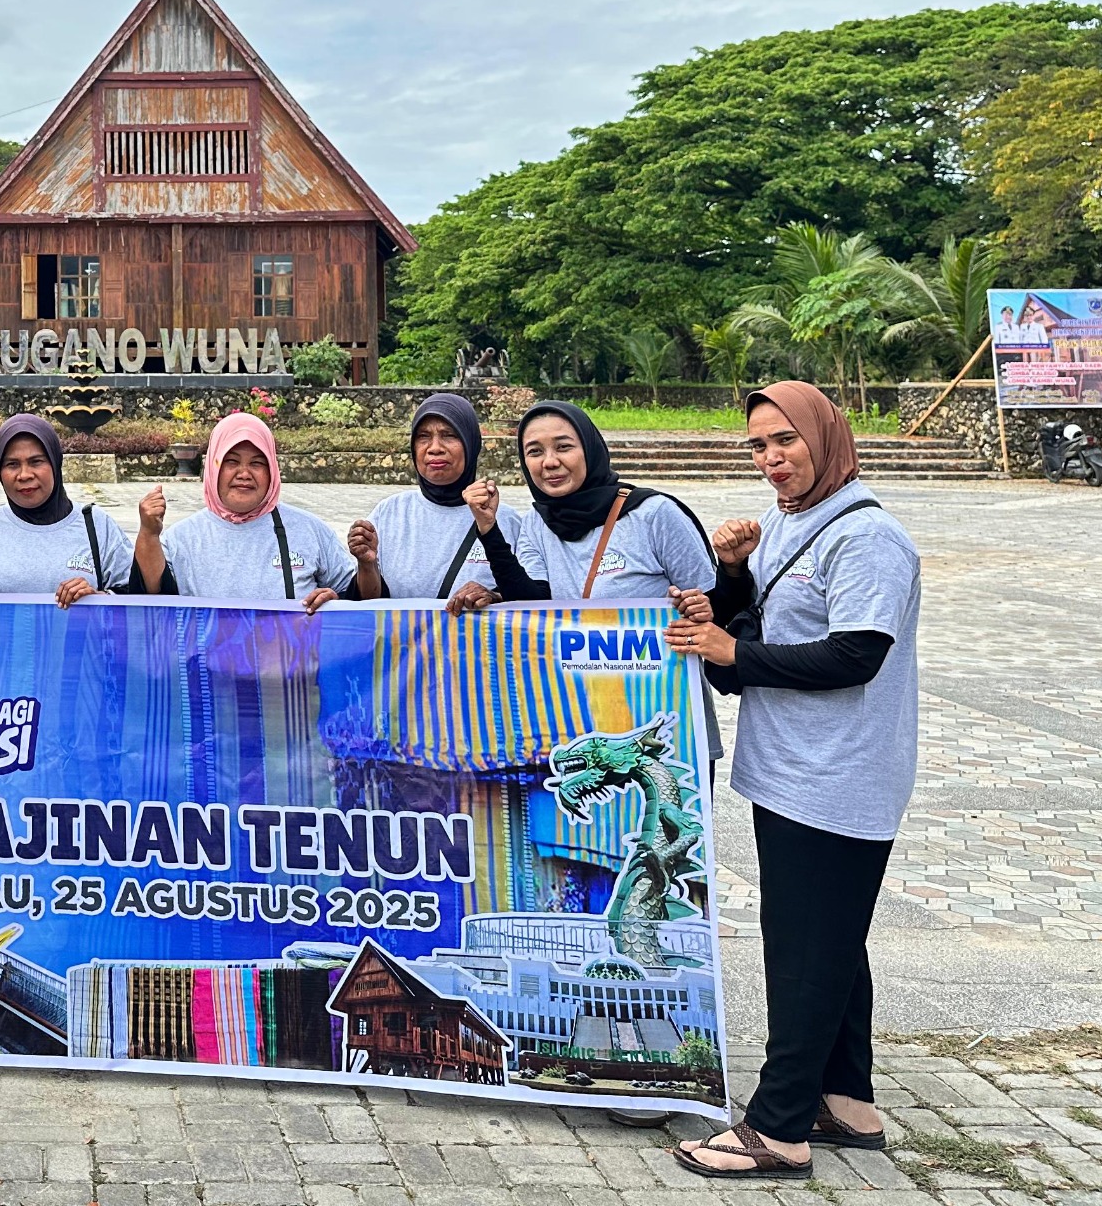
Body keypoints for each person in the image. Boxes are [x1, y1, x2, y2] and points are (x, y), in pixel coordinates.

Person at [668, 382, 922, 1180]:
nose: (772, 458)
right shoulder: (786, 522)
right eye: (758, 445)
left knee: (805, 951)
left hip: (839, 775)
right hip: (788, 768)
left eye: (786, 440)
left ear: (826, 436)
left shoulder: (869, 537)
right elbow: (767, 621)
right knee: (830, 941)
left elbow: (856, 654)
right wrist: (731, 578)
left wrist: (733, 653)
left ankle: (778, 1128)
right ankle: (846, 1101)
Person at [493, 402, 717, 609]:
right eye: (535, 451)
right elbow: (531, 606)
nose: (550, 462)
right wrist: (488, 530)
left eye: (563, 447)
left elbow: (714, 601)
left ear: (590, 449)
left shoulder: (654, 514)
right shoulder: (536, 523)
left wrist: (695, 606)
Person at [131, 411, 355, 606]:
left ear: (272, 470)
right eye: (231, 461)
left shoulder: (310, 531)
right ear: (213, 467)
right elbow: (150, 603)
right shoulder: (180, 539)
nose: (244, 474)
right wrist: (148, 534)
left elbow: (356, 599)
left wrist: (334, 603)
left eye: (257, 463)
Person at [343, 393, 540, 608]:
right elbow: (368, 606)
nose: (435, 447)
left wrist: (495, 597)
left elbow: (527, 605)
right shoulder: (389, 513)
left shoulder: (505, 520)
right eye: (423, 436)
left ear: (471, 443)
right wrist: (367, 565)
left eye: (449, 435)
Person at [0, 413, 135, 604]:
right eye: (12, 464)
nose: (24, 475)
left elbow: (134, 596)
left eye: (36, 462)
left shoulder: (96, 525)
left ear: (55, 463)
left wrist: (98, 599)